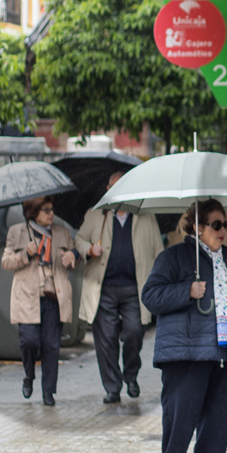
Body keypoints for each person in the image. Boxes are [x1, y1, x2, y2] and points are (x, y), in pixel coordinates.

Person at [142, 199, 227, 453]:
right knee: (181, 416)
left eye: (225, 225)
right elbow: (151, 296)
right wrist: (186, 291)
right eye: (216, 225)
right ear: (197, 227)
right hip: (187, 352)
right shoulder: (175, 257)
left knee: (219, 419)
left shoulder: (226, 261)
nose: (222, 231)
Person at [76, 172, 164, 404]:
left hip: (135, 288)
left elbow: (158, 252)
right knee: (106, 339)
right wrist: (88, 250)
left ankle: (131, 376)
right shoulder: (96, 215)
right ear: (108, 189)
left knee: (135, 332)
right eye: (115, 187)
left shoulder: (145, 216)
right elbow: (79, 239)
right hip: (103, 288)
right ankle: (113, 388)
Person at [1, 196, 79, 406]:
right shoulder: (18, 233)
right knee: (29, 341)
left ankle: (48, 392)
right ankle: (29, 375)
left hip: (54, 296)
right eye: (46, 210)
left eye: (52, 209)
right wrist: (25, 253)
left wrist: (73, 256)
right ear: (33, 213)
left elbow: (74, 257)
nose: (51, 213)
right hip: (27, 298)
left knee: (51, 346)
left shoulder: (62, 232)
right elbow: (6, 262)